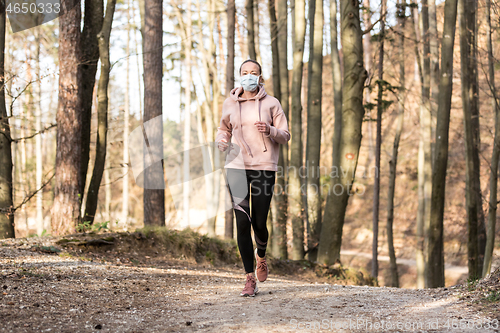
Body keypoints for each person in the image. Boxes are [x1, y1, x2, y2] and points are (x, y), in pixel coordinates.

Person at [215, 59, 291, 297]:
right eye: (245, 72)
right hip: (236, 166)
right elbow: (223, 128)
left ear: (260, 77)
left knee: (259, 221)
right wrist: (222, 140)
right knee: (242, 221)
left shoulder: (271, 103)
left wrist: (270, 130)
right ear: (240, 76)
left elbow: (285, 135)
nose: (249, 76)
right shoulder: (230, 102)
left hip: (264, 167)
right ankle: (249, 278)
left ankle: (262, 255)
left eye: (254, 73)